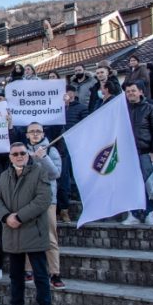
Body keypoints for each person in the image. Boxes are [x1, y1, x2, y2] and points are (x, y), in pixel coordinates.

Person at [0, 142, 53, 305]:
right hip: (12, 232)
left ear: (27, 155)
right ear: (10, 157)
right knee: (15, 274)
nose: (19, 156)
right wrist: (5, 216)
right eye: (15, 154)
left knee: (40, 275)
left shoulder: (39, 171)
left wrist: (19, 216)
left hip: (33, 230)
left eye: (22, 153)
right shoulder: (4, 175)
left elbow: (43, 199)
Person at [23, 122, 65, 290]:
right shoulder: (22, 151)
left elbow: (56, 173)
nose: (35, 134)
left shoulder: (51, 150)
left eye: (38, 131)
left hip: (47, 200)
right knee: (28, 235)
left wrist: (43, 157)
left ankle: (55, 273)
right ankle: (28, 270)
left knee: (50, 237)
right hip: (27, 201)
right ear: (26, 135)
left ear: (43, 133)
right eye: (31, 131)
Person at [122, 81, 153, 226]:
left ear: (140, 92)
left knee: (148, 185)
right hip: (127, 153)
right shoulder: (122, 109)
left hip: (146, 152)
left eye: (133, 90)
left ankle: (150, 214)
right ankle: (133, 214)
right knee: (130, 185)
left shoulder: (151, 108)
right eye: (127, 91)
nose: (130, 93)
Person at [57, 86, 88, 222]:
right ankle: (59, 209)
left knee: (69, 178)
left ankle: (65, 209)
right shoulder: (57, 109)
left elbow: (86, 125)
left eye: (67, 92)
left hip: (75, 147)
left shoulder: (81, 108)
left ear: (73, 93)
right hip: (58, 148)